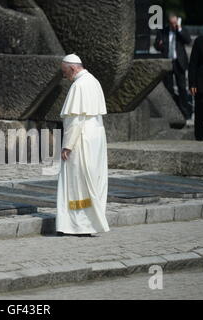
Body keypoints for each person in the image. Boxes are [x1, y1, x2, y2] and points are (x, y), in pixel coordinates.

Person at [56, 54, 110, 237]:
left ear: (72, 68)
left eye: (65, 72)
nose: (64, 76)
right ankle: (90, 223)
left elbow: (75, 120)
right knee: (92, 180)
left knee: (77, 182)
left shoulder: (78, 85)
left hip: (81, 140)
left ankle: (78, 225)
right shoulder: (93, 81)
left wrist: (67, 146)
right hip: (96, 138)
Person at [155, 13, 193, 119]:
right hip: (168, 62)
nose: (173, 25)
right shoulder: (163, 32)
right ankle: (172, 110)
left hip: (179, 62)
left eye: (175, 23)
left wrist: (179, 29)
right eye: (172, 23)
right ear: (168, 23)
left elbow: (188, 40)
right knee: (168, 87)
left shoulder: (181, 30)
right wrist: (159, 44)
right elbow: (157, 45)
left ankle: (185, 111)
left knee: (182, 87)